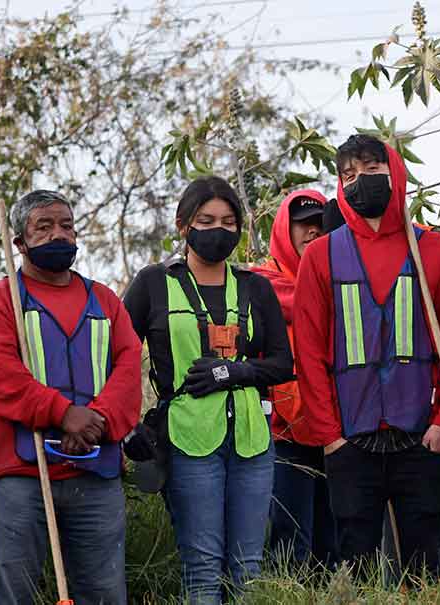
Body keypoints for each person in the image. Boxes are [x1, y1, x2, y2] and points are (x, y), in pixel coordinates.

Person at [293, 134, 440, 574]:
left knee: (425, 563)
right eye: (349, 175)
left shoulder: (432, 248)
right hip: (350, 440)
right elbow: (309, 349)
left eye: (372, 170)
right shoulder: (321, 257)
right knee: (357, 563)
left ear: (394, 172)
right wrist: (330, 436)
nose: (361, 181)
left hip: (421, 436)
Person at [123, 176, 293, 604]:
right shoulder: (153, 284)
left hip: (253, 442)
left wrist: (231, 374)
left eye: (228, 221)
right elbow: (117, 358)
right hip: (187, 438)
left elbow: (282, 364)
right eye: (206, 220)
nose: (218, 230)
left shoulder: (256, 287)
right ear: (183, 226)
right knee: (201, 567)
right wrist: (126, 424)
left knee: (249, 568)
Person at [0, 190, 141, 605]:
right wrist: (64, 415)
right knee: (16, 593)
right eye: (43, 227)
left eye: (66, 225)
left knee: (104, 593)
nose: (58, 235)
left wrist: (93, 422)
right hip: (23, 475)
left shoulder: (104, 301)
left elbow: (128, 366)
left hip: (96, 472)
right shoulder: (1, 301)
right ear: (20, 243)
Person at [252, 189, 338, 567]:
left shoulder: (343, 281)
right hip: (282, 430)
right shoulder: (258, 284)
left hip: (335, 427)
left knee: (332, 541)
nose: (312, 232)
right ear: (285, 230)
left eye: (319, 224)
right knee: (289, 542)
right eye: (302, 224)